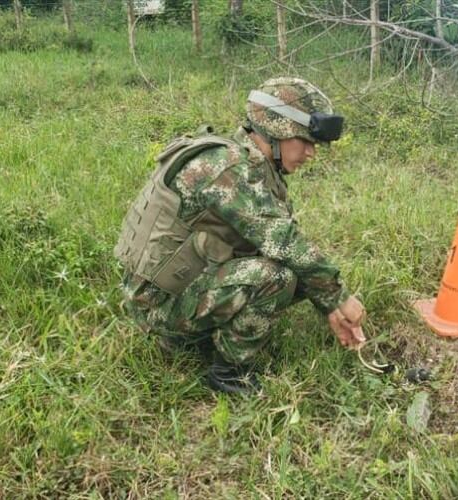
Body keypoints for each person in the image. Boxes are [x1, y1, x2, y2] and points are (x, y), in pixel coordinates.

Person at [114, 77, 367, 394]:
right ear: (277, 131)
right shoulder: (227, 168)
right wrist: (339, 298)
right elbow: (286, 243)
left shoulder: (250, 165)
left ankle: (205, 331)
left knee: (293, 271)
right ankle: (228, 373)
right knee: (276, 278)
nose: (310, 153)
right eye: (305, 141)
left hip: (175, 284)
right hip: (156, 305)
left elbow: (284, 246)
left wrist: (330, 308)